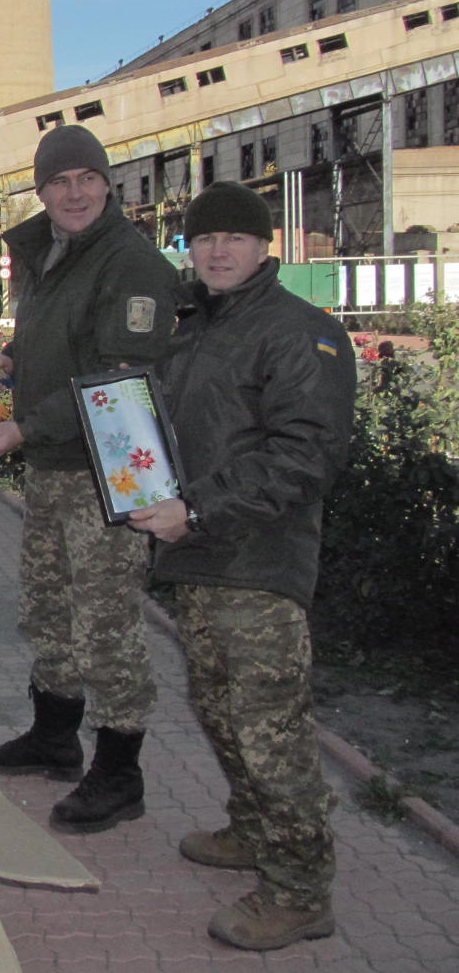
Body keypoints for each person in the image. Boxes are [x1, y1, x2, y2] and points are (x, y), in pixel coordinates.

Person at [128, 181, 354, 951]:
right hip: (199, 558)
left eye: (235, 237)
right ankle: (254, 830)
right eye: (204, 238)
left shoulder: (300, 333)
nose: (218, 250)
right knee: (219, 712)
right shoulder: (197, 327)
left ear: (265, 247)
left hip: (259, 562)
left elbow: (304, 458)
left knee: (271, 733)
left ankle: (298, 893)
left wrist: (194, 508)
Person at [0, 123, 178, 832]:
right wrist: (7, 370)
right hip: (55, 466)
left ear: (107, 182)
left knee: (107, 624)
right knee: (47, 606)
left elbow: (122, 375)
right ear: (42, 192)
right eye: (59, 182)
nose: (74, 192)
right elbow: (60, 350)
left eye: (86, 178)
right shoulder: (50, 256)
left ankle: (120, 772)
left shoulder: (132, 263)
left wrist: (27, 425)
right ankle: (55, 736)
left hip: (111, 472)